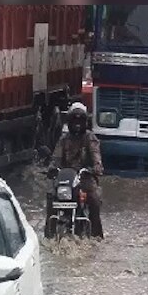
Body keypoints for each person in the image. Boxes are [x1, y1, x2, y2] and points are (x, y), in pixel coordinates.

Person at [51, 102, 105, 238]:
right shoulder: (64, 139)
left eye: (80, 120)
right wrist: (52, 168)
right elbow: (56, 157)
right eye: (74, 119)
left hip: (85, 180)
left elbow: (96, 156)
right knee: (51, 198)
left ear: (85, 121)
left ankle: (97, 236)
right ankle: (49, 233)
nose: (77, 123)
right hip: (66, 181)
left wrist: (95, 168)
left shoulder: (90, 138)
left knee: (94, 200)